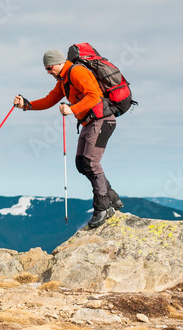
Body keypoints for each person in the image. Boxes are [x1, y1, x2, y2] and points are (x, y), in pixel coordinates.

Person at [13, 48, 123, 228]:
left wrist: (72, 109)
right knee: (81, 163)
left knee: (91, 162)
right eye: (46, 69)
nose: (48, 72)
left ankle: (103, 208)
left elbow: (94, 96)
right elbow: (50, 100)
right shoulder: (63, 80)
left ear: (58, 63)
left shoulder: (77, 72)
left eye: (49, 68)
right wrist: (26, 104)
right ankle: (113, 198)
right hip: (90, 123)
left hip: (102, 121)